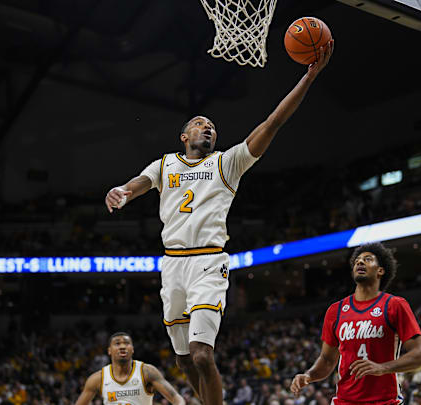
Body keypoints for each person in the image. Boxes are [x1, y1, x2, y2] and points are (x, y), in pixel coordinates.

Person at [104, 38, 334, 405]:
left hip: (209, 262)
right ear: (184, 137)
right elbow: (139, 183)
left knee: (201, 353)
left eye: (211, 126)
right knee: (183, 358)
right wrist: (122, 191)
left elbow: (273, 123)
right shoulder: (165, 164)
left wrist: (308, 78)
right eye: (199, 124)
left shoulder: (227, 163)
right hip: (172, 265)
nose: (207, 128)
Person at [290, 242, 421, 405]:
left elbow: (420, 354)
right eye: (357, 261)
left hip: (384, 401)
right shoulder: (336, 311)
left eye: (368, 259)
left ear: (380, 270)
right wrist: (309, 375)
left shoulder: (394, 305)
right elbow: (327, 360)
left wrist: (382, 368)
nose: (360, 262)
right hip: (344, 401)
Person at [75, 332, 185, 405]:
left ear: (132, 349)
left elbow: (177, 399)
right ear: (109, 350)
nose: (122, 346)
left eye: (126, 343)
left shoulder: (147, 372)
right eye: (117, 343)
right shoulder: (98, 378)